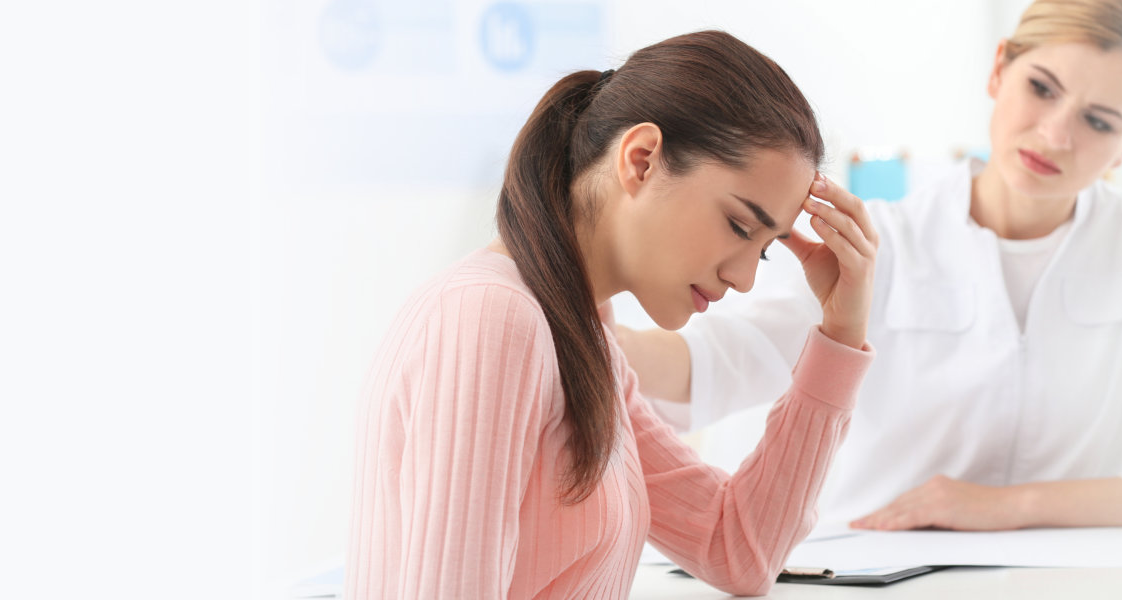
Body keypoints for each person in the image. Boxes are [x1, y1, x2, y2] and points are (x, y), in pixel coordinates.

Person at [616, 0, 1122, 531]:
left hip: (1066, 580)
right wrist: (575, 321)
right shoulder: (891, 242)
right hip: (879, 568)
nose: (1055, 134)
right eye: (1042, 89)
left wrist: (1007, 508)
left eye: (1098, 121)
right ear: (998, 71)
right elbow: (717, 366)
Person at [343, 30, 883, 598]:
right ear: (642, 159)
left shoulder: (580, 336)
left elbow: (737, 548)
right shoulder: (492, 317)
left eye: (765, 248)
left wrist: (841, 333)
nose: (743, 278)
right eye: (739, 227)